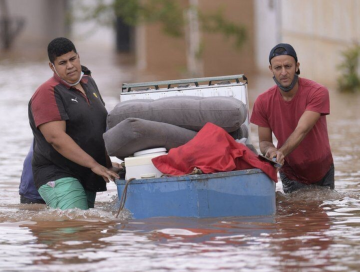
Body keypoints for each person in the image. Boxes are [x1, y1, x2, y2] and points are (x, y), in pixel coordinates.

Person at [28, 37, 119, 210]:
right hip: (58, 173)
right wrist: (94, 164)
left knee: (89, 231)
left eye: (72, 59)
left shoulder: (89, 83)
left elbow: (96, 130)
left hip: (87, 173)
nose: (70, 66)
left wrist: (107, 165)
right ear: (51, 66)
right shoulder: (47, 92)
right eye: (62, 62)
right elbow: (56, 138)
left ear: (78, 57)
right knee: (74, 228)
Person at [250, 43, 334, 193]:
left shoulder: (318, 92)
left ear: (297, 66)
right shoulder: (262, 102)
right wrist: (271, 151)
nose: (283, 72)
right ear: (271, 70)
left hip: (323, 169)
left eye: (288, 66)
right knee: (294, 214)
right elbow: (264, 141)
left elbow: (302, 129)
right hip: (291, 172)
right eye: (278, 68)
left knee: (322, 214)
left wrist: (281, 151)